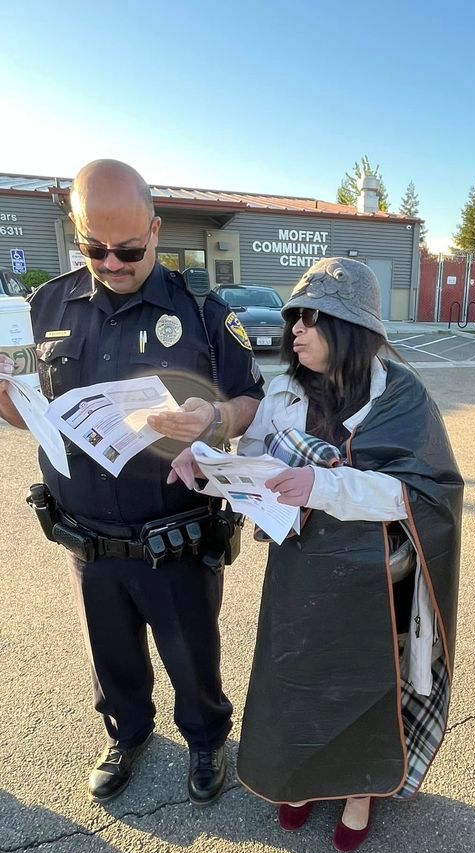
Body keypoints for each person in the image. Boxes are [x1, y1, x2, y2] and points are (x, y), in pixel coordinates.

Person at [172, 256, 463, 849]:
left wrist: (324, 485)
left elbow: (425, 495)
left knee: (365, 682)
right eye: (295, 319)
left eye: (311, 319)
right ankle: (301, 777)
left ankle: (359, 789)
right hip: (301, 566)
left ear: (349, 330)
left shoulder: (403, 397)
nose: (295, 331)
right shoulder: (283, 391)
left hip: (378, 578)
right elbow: (253, 459)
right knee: (298, 675)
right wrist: (204, 463)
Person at [0, 159, 264, 805]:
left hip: (174, 537)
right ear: (75, 231)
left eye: (128, 249)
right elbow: (28, 415)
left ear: (156, 228)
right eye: (96, 248)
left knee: (192, 657)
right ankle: (128, 733)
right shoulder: (46, 306)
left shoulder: (202, 312)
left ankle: (206, 740)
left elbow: (248, 400)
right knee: (111, 658)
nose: (112, 262)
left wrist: (215, 418)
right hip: (85, 536)